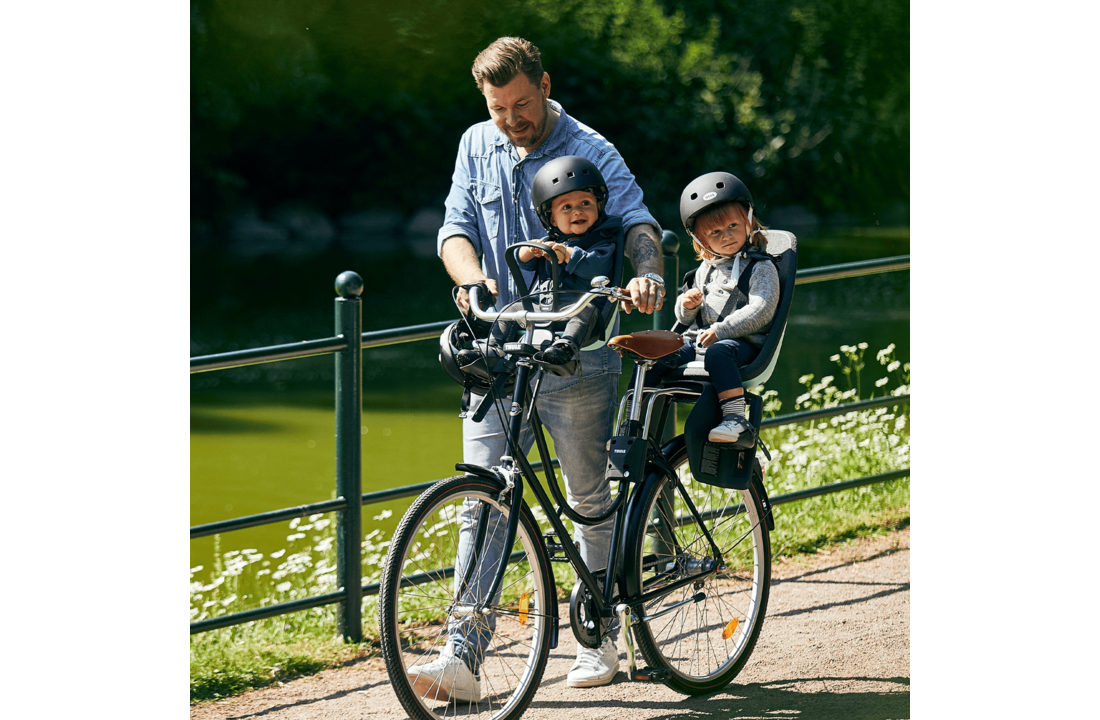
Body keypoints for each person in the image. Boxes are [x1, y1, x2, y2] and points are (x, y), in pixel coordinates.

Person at [412, 36, 666, 701]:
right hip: (500, 350)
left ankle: (598, 633)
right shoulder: (476, 143)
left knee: (587, 499)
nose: (512, 120)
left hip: (574, 355)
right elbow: (456, 226)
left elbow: (640, 225)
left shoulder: (593, 149)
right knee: (483, 502)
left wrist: (645, 278)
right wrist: (470, 284)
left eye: (522, 104)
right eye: (498, 108)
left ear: (545, 85)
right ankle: (462, 658)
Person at [644, 171, 779, 443]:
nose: (726, 236)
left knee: (719, 353)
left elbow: (763, 309)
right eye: (715, 232)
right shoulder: (705, 270)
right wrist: (686, 305)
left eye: (733, 226)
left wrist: (722, 329)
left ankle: (735, 418)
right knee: (656, 357)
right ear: (702, 240)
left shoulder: (760, 267)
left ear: (749, 223)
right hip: (701, 340)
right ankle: (642, 421)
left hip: (741, 344)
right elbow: (685, 319)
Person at [478, 154, 624, 367]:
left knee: (587, 312)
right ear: (552, 218)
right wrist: (529, 251)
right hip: (545, 307)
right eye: (566, 207)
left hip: (579, 308)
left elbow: (596, 268)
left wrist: (567, 254)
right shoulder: (551, 242)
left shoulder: (603, 242)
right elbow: (525, 264)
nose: (577, 211)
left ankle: (565, 347)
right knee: (511, 309)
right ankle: (492, 347)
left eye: (586, 203)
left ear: (599, 207)